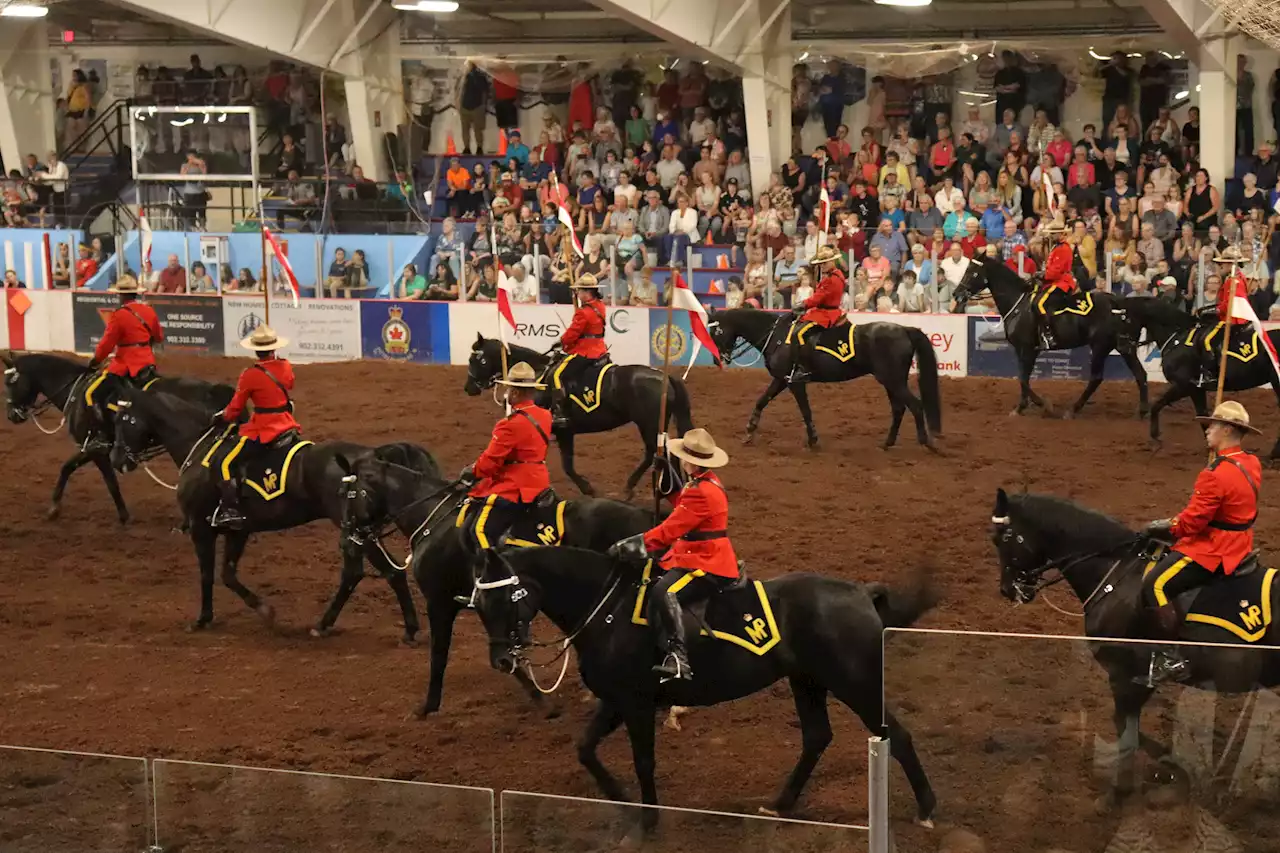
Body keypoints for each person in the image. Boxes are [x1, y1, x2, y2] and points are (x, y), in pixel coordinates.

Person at [1140, 401, 1262, 683]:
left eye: (1214, 425)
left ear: (1228, 429)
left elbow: (1190, 524)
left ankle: (1169, 657)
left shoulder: (1215, 474)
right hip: (1241, 540)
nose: (1207, 429)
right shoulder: (1250, 462)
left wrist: (1163, 525)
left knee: (1154, 584)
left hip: (1215, 548)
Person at [608, 428, 738, 682]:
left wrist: (629, 545)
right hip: (698, 553)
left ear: (689, 461)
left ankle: (678, 658)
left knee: (665, 591)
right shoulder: (706, 481)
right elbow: (684, 505)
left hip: (707, 562)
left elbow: (668, 531)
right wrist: (667, 475)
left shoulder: (701, 490)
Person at [458, 362, 552, 562]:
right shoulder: (545, 415)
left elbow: (490, 463)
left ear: (515, 393)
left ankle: (492, 578)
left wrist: (472, 471)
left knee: (479, 532)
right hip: (539, 480)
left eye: (509, 388)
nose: (506, 392)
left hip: (516, 486)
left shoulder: (509, 425)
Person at [208, 326, 300, 530]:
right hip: (287, 423)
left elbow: (236, 408)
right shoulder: (285, 366)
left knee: (224, 463)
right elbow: (290, 385)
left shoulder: (250, 374)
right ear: (274, 348)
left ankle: (231, 510)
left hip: (265, 428)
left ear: (255, 350)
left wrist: (222, 416)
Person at [83, 276, 164, 452]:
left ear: (120, 295)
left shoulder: (118, 315)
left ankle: (103, 437)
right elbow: (158, 337)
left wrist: (96, 360)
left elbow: (106, 344)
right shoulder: (148, 310)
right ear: (136, 293)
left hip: (126, 364)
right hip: (147, 363)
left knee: (91, 394)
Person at [549, 272, 609, 428]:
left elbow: (571, 335)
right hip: (600, 349)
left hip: (585, 352)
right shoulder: (600, 306)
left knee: (556, 375)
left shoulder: (583, 312)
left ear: (587, 292)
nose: (577, 293)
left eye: (579, 291)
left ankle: (560, 412)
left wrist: (561, 342)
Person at [788, 245, 847, 384]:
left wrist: (803, 304)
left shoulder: (831, 278)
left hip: (826, 313)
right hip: (822, 310)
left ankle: (804, 368)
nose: (822, 266)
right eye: (820, 264)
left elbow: (818, 298)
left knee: (799, 334)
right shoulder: (835, 274)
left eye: (824, 263)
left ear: (832, 262)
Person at [1034, 218, 1078, 349]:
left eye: (1053, 234)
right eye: (1050, 233)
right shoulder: (1056, 247)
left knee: (1040, 303)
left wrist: (1042, 275)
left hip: (1061, 283)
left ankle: (1048, 335)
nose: (1050, 236)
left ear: (1060, 234)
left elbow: (1056, 272)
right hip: (1053, 282)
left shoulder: (1063, 249)